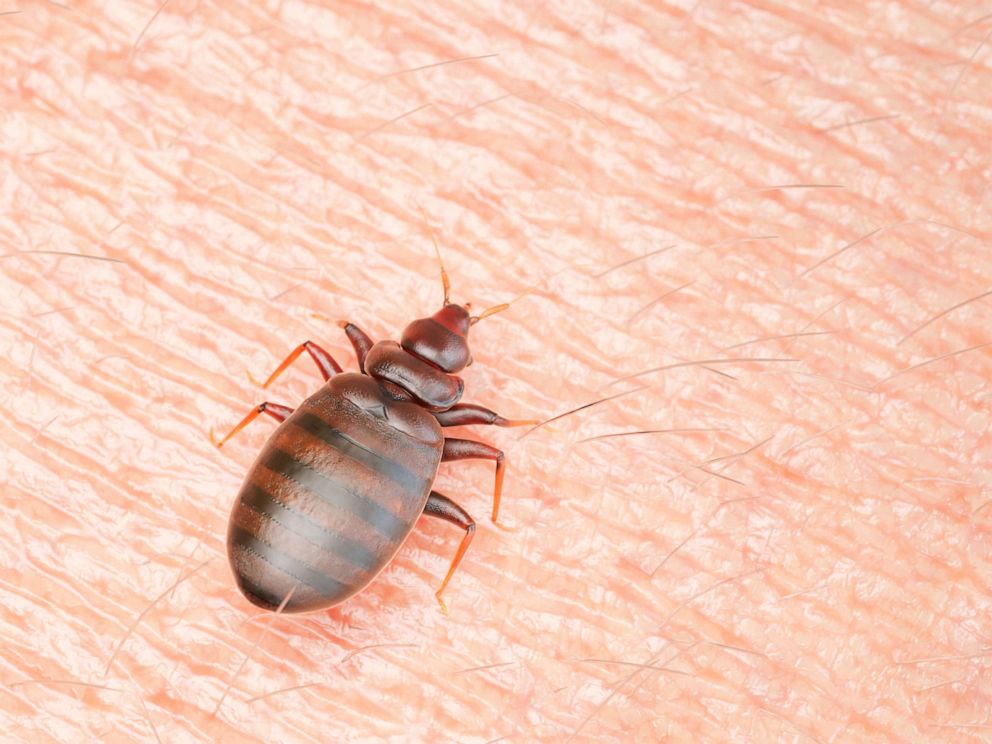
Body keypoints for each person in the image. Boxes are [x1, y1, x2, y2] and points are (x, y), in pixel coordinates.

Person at [1, 2, 989, 741]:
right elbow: (481, 462)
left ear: (401, 347)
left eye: (448, 337)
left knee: (306, 406)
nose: (449, 336)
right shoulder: (445, 434)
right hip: (367, 480)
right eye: (447, 338)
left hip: (343, 454)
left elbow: (306, 384)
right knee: (462, 511)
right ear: (439, 368)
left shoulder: (345, 378)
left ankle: (268, 481)